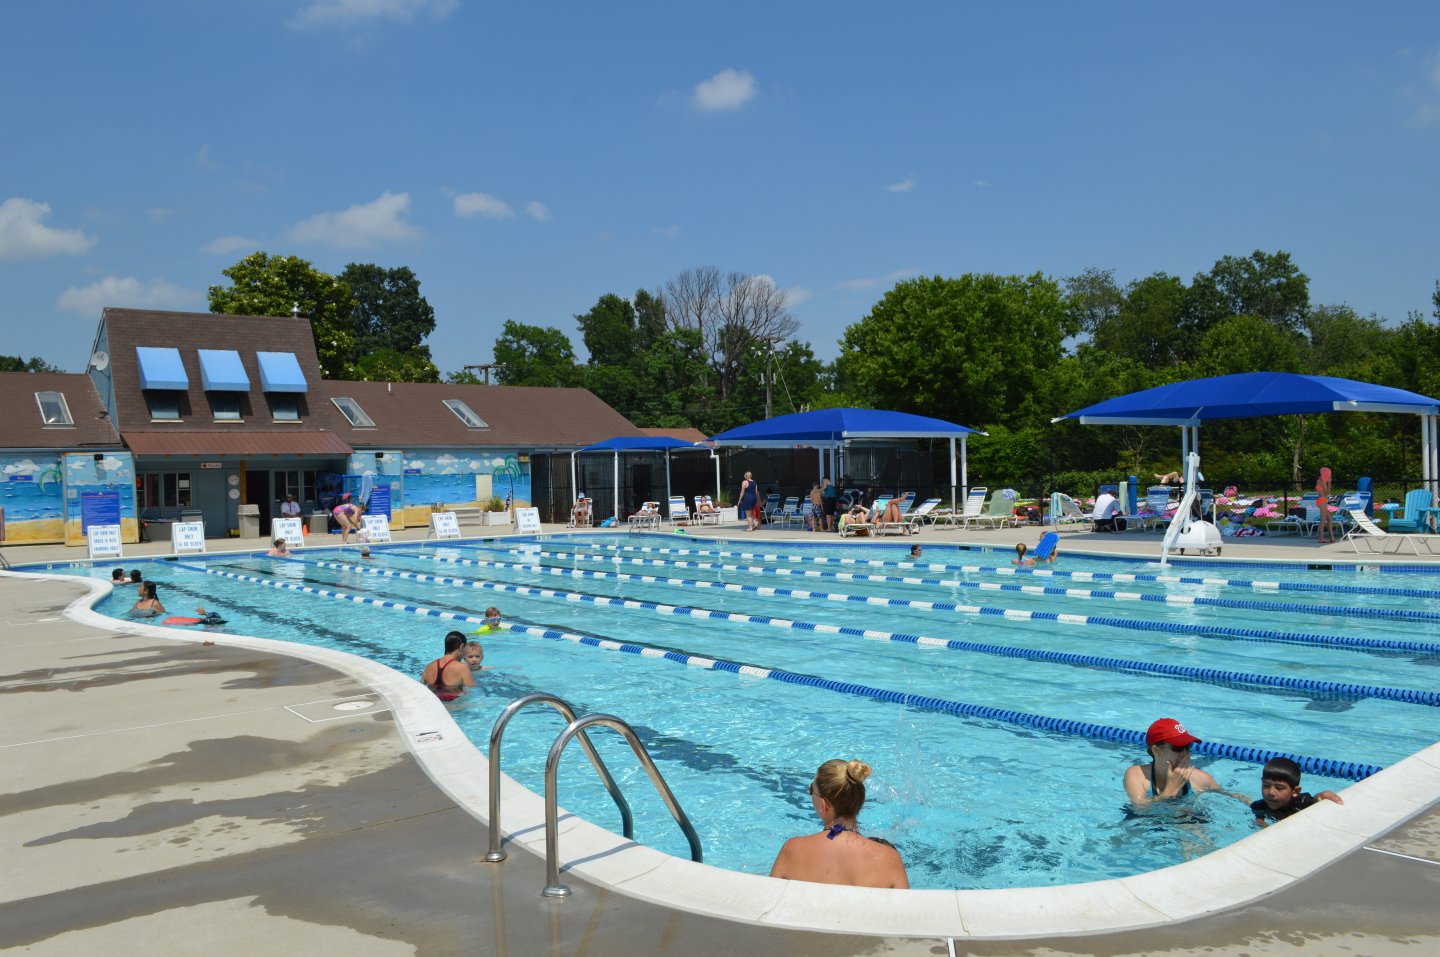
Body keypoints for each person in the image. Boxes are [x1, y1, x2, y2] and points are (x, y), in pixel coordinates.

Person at [769, 759, 909, 889]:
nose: (810, 793)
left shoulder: (793, 850)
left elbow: (770, 901)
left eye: (812, 790)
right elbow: (904, 913)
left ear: (825, 804)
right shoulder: (889, 858)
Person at [1124, 718, 1245, 806]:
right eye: (1178, 748)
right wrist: (1168, 793)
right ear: (1156, 750)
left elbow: (1234, 797)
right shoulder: (1137, 775)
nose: (1185, 753)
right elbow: (1140, 810)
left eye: (1188, 747)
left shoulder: (1201, 779)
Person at [1251, 757, 1343, 827]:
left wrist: (1321, 795)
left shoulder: (1301, 801)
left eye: (1279, 788)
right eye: (1266, 785)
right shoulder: (1259, 806)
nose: (1271, 792)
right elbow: (1259, 821)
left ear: (1295, 791)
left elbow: (1314, 800)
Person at [420, 631, 475, 701]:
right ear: (461, 647)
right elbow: (472, 692)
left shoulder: (429, 666)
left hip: (432, 704)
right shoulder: (462, 668)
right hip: (454, 707)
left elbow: (420, 688)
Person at [1315, 466, 1335, 544]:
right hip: (1322, 500)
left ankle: (1332, 537)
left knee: (1329, 519)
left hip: (1322, 500)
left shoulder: (1319, 480)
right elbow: (1327, 493)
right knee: (1323, 520)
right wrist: (1329, 483)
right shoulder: (1322, 481)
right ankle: (1321, 538)